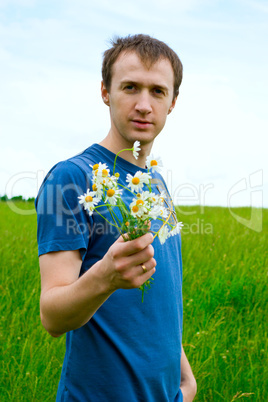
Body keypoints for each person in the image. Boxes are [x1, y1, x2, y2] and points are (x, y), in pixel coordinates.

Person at [35, 34, 197, 401]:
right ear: (105, 92)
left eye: (157, 91)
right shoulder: (72, 178)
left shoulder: (156, 185)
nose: (144, 105)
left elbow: (160, 303)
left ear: (172, 102)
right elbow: (53, 316)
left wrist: (186, 383)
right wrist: (105, 277)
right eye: (130, 87)